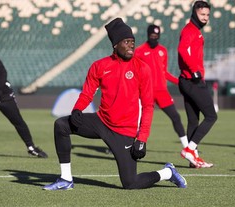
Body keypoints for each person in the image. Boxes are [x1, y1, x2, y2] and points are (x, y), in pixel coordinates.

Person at [42, 18, 187, 190]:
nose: (131, 46)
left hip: (124, 131)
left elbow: (148, 106)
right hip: (101, 122)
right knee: (61, 125)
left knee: (130, 183)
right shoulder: (99, 66)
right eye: (127, 42)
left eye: (133, 42)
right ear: (115, 45)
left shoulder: (142, 68)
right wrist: (77, 110)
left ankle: (168, 173)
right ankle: (66, 179)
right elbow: (87, 93)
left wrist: (142, 138)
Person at [135, 24, 188, 149]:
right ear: (148, 35)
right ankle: (123, 146)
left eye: (156, 36)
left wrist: (179, 82)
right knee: (137, 122)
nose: (154, 38)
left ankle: (188, 148)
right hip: (146, 92)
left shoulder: (163, 50)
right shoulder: (139, 51)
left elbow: (164, 72)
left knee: (175, 117)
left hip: (162, 92)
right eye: (152, 36)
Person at [178, 1, 217, 168]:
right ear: (194, 13)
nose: (205, 18)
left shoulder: (195, 31)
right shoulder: (190, 30)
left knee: (193, 121)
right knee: (211, 116)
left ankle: (193, 161)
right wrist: (194, 70)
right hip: (192, 81)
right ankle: (190, 149)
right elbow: (181, 50)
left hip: (187, 81)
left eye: (207, 15)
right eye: (202, 14)